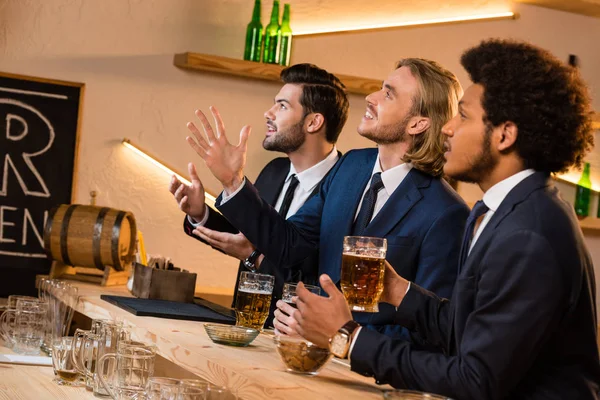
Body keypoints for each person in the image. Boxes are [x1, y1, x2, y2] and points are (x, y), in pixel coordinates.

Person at [289, 39, 600, 399]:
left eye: (463, 116)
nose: (447, 128)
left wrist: (348, 337)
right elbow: (464, 329)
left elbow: (476, 380)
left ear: (504, 135)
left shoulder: (529, 234)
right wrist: (398, 290)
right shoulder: (497, 211)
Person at [185, 58, 469, 338]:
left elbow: (432, 331)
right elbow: (289, 243)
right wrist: (233, 181)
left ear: (418, 124)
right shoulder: (351, 166)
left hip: (369, 376)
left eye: (388, 94)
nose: (371, 98)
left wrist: (342, 337)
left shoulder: (447, 213)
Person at [169, 64, 349, 326]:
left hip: (296, 338)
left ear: (313, 122)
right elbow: (249, 238)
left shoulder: (346, 190)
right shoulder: (274, 172)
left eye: (282, 106)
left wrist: (253, 257)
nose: (269, 113)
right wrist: (200, 213)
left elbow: (318, 284)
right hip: (243, 325)